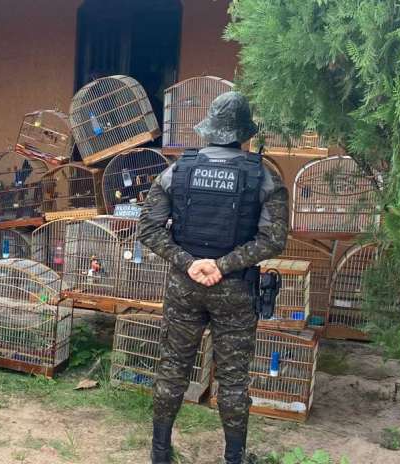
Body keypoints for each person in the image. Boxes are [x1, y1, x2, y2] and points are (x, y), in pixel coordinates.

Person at [138, 91, 289, 464]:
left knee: (173, 368)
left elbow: (149, 228)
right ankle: (234, 458)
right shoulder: (263, 176)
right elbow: (273, 240)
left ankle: (160, 454)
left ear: (209, 129)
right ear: (243, 133)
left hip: (184, 286)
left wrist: (188, 261)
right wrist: (222, 266)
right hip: (234, 289)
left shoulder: (178, 170)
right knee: (235, 379)